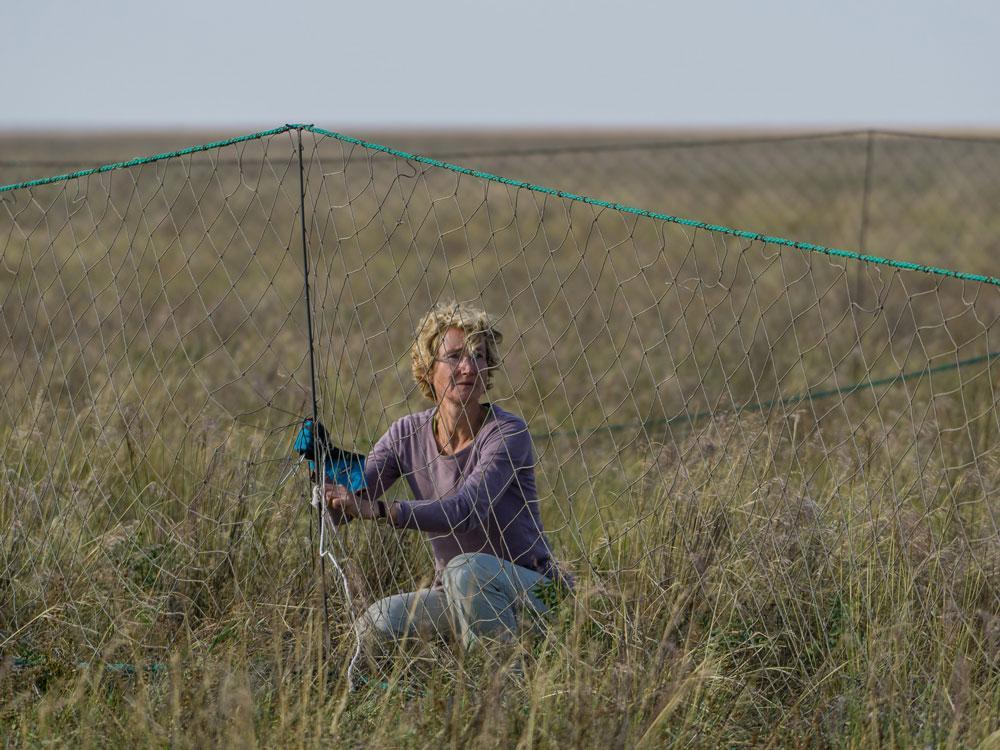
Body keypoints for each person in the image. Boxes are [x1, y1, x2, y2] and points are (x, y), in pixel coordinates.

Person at [323, 301, 568, 651]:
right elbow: (353, 495)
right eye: (455, 357)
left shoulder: (507, 434)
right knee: (378, 621)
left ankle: (503, 691)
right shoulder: (405, 433)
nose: (469, 367)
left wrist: (380, 511)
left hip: (537, 593)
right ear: (427, 369)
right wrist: (323, 471)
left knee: (466, 571)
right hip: (456, 593)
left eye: (479, 356)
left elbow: (465, 512)